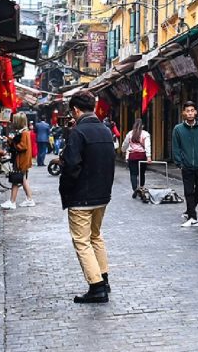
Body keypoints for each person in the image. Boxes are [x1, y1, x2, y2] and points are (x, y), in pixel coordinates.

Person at [59, 92, 115, 304]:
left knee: (82, 241)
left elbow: (72, 166)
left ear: (75, 110)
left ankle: (97, 287)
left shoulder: (78, 132)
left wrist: (67, 190)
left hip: (82, 197)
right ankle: (104, 278)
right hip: (102, 195)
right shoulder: (105, 130)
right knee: (96, 236)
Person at [172, 101, 198, 227]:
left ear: (195, 112)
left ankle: (190, 210)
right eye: (187, 111)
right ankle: (192, 217)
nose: (190, 113)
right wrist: (179, 163)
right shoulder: (178, 129)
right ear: (184, 113)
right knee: (188, 191)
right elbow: (176, 147)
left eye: (192, 110)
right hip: (186, 165)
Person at [1, 113, 36, 210]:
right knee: (22, 179)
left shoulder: (24, 133)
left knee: (16, 180)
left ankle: (12, 201)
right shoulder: (25, 131)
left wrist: (12, 142)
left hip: (21, 160)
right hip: (22, 159)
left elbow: (22, 147)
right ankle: (29, 199)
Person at [120, 119, 151, 198]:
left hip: (132, 156)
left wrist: (123, 150)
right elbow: (147, 146)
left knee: (133, 174)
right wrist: (148, 156)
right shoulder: (145, 134)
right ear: (143, 126)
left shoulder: (130, 133)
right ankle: (141, 189)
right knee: (141, 173)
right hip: (142, 156)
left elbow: (125, 144)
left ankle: (135, 189)